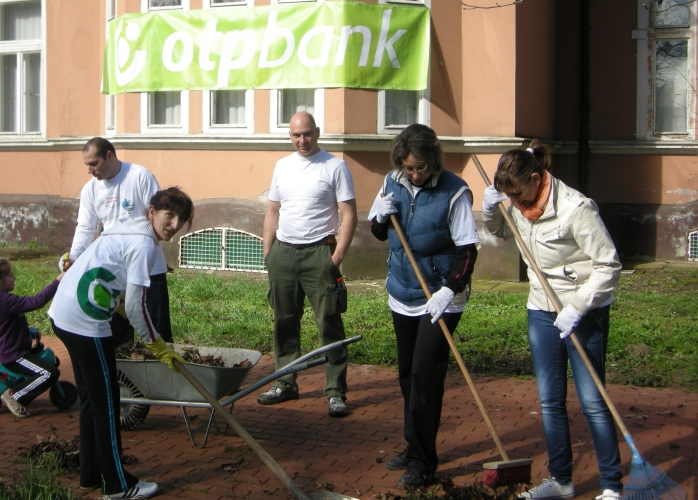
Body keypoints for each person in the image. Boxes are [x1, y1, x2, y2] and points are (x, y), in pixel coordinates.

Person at [482, 140, 622, 500]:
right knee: (549, 400)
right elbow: (500, 231)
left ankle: (610, 486)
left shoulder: (576, 208)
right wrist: (490, 210)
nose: (517, 203)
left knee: (592, 400)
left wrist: (578, 306)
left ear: (535, 178)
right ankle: (561, 481)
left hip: (582, 312)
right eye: (509, 196)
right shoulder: (515, 200)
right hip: (541, 309)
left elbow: (608, 264)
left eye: (520, 195)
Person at [48, 187, 194, 500]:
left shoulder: (126, 225)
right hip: (86, 323)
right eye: (170, 215)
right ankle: (116, 486)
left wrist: (114, 304)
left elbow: (108, 273)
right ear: (152, 211)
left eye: (181, 219)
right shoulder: (144, 245)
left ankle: (89, 474)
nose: (174, 224)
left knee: (91, 399)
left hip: (63, 312)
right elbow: (136, 308)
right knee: (108, 405)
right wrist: (158, 346)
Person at [368, 124, 479, 488]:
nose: (414, 175)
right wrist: (380, 217)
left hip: (440, 297)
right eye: (408, 168)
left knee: (425, 377)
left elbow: (467, 250)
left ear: (433, 160)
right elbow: (380, 231)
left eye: (420, 168)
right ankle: (413, 444)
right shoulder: (393, 180)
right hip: (403, 292)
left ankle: (422, 461)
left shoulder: (454, 192)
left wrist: (450, 290)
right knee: (405, 374)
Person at [257, 111, 357, 418]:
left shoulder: (334, 166)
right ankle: (285, 382)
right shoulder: (282, 167)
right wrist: (268, 253)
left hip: (319, 254)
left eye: (308, 134)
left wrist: (335, 258)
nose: (302, 141)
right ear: (290, 136)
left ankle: (335, 390)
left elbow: (349, 214)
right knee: (284, 321)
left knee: (329, 321)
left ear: (317, 132)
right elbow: (273, 210)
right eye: (296, 135)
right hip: (283, 254)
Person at [60, 137, 173, 344]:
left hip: (148, 268)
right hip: (113, 273)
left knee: (157, 329)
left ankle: (161, 373)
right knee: (119, 337)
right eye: (87, 165)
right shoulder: (90, 190)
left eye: (94, 163)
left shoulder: (139, 176)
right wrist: (74, 256)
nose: (90, 170)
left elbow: (157, 216)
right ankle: (123, 375)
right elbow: (85, 228)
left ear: (110, 156)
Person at [0, 258, 64, 419]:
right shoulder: (4, 300)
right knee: (49, 373)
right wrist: (59, 279)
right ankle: (14, 395)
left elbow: (4, 323)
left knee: (50, 364)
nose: (14, 277)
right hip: (16, 355)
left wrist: (26, 331)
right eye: (10, 275)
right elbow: (37, 301)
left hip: (13, 350)